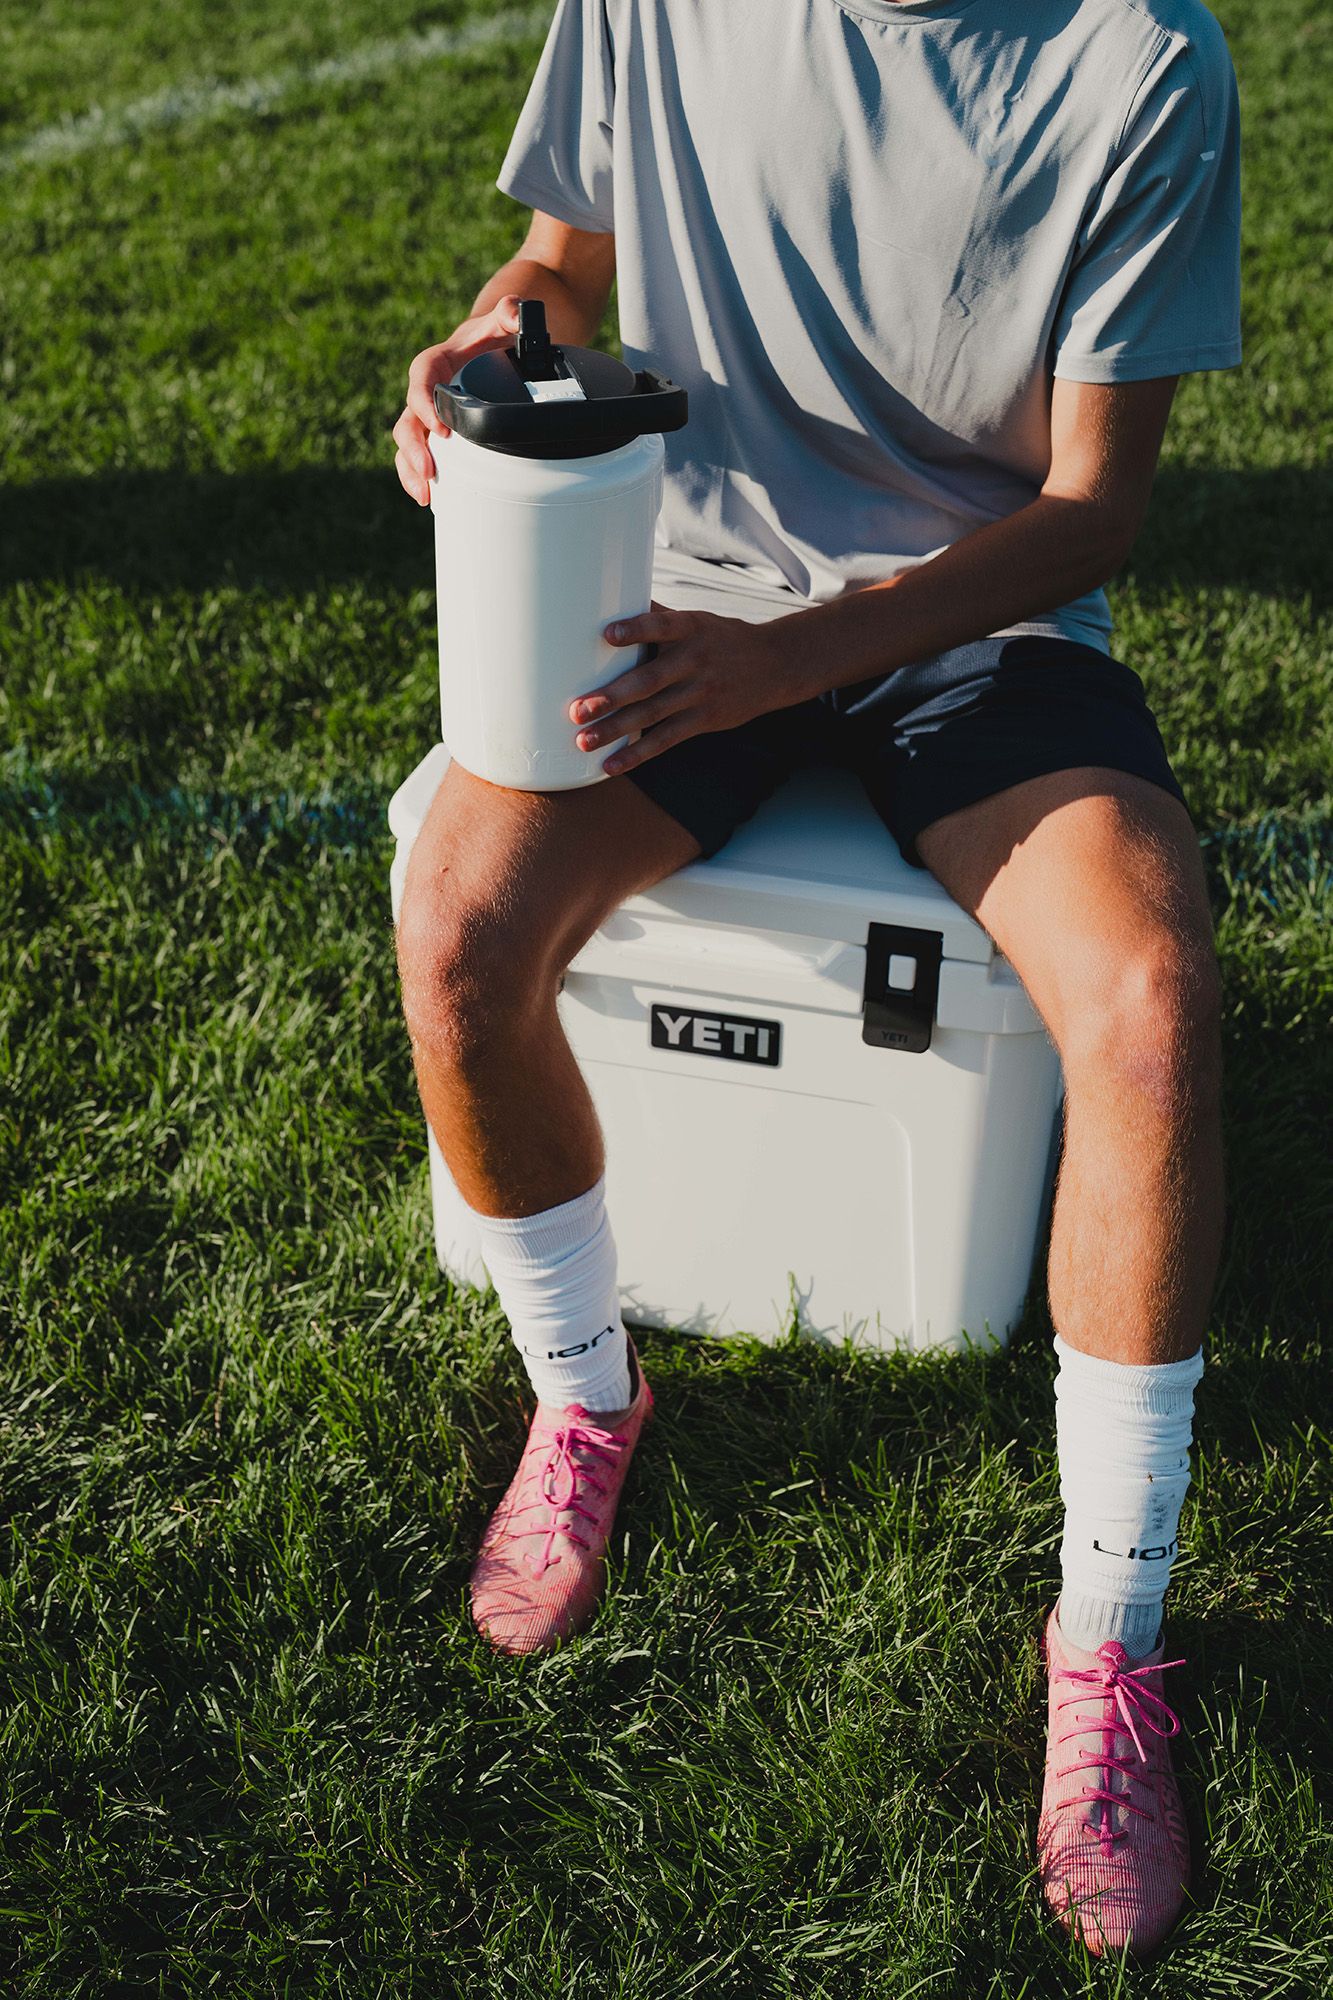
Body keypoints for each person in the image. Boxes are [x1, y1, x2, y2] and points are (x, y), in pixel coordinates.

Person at [390, 0, 1241, 1959]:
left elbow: (1092, 507)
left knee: (1147, 1005)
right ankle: (587, 1403)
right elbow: (563, 263)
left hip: (975, 613)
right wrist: (492, 331)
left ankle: (1103, 1646)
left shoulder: (1141, 55)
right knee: (461, 928)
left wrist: (814, 653)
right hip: (675, 595)